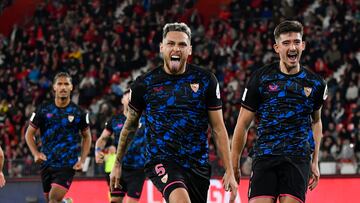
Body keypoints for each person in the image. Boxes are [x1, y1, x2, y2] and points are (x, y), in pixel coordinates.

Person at [109, 22, 238, 203]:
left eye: (182, 44)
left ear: (190, 50)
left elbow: (218, 128)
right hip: (161, 160)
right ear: (162, 48)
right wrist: (117, 163)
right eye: (170, 44)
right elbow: (129, 126)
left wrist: (229, 170)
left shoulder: (206, 80)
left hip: (197, 164)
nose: (176, 48)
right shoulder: (144, 84)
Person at [230, 20, 327, 203]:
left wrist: (314, 161)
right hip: (265, 154)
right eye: (286, 43)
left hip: (297, 157)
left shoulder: (316, 83)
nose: (292, 47)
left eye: (297, 42)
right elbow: (242, 125)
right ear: (276, 47)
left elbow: (316, 121)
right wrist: (233, 165)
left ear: (303, 45)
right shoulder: (261, 78)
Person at [25, 72, 92, 203]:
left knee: (53, 198)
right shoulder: (43, 109)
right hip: (47, 162)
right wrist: (35, 153)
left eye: (66, 84)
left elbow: (87, 137)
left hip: (67, 164)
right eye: (60, 84)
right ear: (54, 87)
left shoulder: (79, 112)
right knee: (50, 199)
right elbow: (29, 134)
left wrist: (82, 160)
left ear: (71, 87)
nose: (63, 87)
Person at [95, 90, 146, 203]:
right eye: (127, 97)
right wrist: (97, 151)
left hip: (138, 170)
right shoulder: (115, 120)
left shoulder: (145, 119)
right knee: (114, 201)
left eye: (132, 97)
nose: (130, 99)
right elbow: (102, 139)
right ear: (122, 100)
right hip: (119, 168)